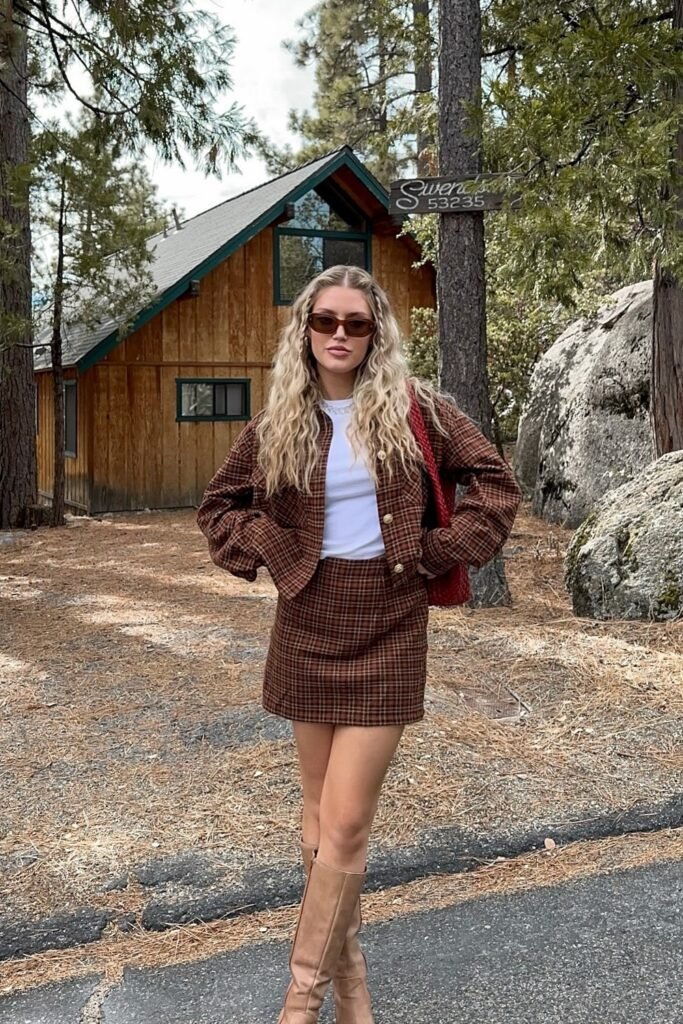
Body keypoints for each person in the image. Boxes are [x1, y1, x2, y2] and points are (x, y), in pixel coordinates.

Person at [197, 264, 522, 1023]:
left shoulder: (419, 413)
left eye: (355, 323)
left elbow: (495, 487)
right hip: (307, 621)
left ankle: (298, 1001)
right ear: (304, 331)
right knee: (316, 819)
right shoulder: (278, 420)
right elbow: (218, 507)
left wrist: (434, 552)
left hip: (389, 622)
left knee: (344, 822)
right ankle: (353, 989)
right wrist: (274, 551)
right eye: (324, 321)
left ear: (376, 333)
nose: (338, 335)